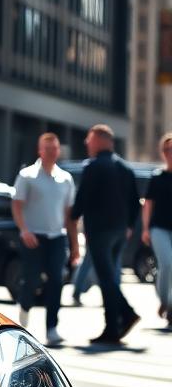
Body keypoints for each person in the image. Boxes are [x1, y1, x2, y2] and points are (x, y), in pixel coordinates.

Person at [71, 124, 141, 344]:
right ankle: (123, 317)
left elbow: (82, 199)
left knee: (106, 279)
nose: (86, 144)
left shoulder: (93, 167)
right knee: (109, 278)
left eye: (89, 140)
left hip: (100, 231)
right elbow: (135, 203)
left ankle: (115, 326)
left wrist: (72, 216)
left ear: (101, 140)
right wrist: (128, 226)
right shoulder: (125, 168)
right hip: (120, 231)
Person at [11, 133, 79, 345]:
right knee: (31, 280)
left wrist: (75, 246)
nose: (51, 152)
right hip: (33, 236)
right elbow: (17, 205)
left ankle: (52, 328)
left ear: (58, 151)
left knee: (56, 281)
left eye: (54, 148)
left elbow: (70, 216)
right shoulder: (27, 175)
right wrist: (24, 230)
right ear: (40, 151)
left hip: (56, 237)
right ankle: (23, 312)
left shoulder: (66, 179)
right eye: (47, 148)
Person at [142, 131, 172, 327]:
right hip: (158, 228)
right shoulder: (157, 176)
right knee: (167, 264)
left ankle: (170, 308)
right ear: (163, 153)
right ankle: (165, 301)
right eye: (168, 149)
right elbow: (148, 204)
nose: (171, 153)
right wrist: (145, 228)